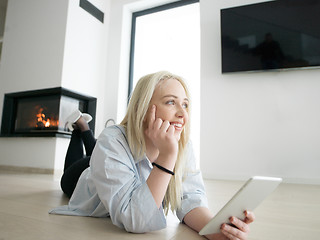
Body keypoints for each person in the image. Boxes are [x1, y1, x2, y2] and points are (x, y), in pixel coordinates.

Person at [50, 71, 255, 239]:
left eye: (184, 104)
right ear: (143, 108)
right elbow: (134, 219)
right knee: (70, 170)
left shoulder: (183, 144)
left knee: (96, 149)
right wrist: (167, 158)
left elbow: (190, 199)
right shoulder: (113, 140)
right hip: (83, 177)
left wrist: (215, 230)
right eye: (170, 102)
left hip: (109, 161)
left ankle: (81, 128)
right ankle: (80, 129)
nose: (183, 114)